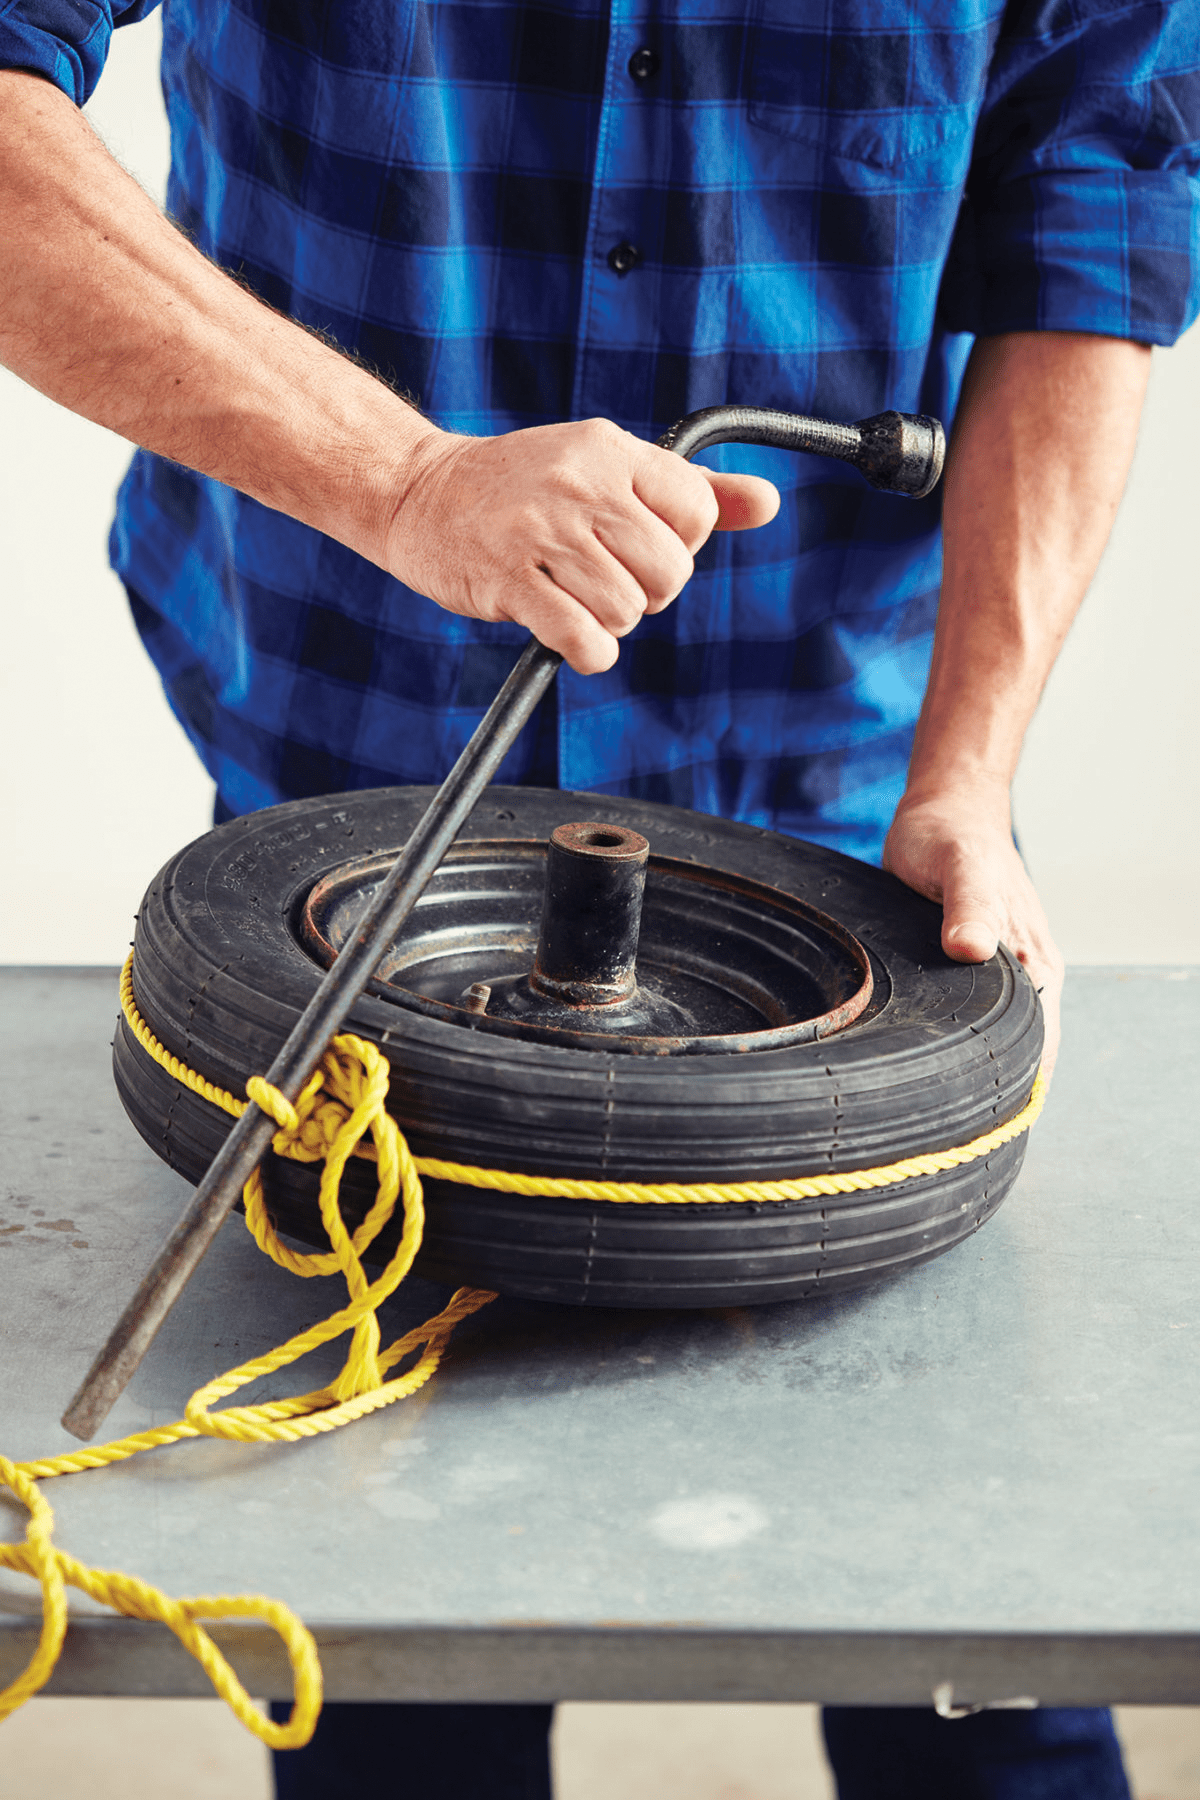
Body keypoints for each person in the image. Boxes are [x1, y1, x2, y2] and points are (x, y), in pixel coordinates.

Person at [1, 0, 1195, 1794]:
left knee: (973, 1673)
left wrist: (971, 768)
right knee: (398, 1697)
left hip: (847, 853)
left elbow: (1085, 232)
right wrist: (402, 479)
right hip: (349, 788)